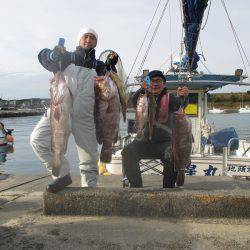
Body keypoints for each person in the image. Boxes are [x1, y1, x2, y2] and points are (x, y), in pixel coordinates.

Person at [30, 28, 118, 192]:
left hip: (86, 115)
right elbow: (45, 59)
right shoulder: (66, 56)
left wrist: (111, 67)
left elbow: (112, 88)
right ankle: (62, 175)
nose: (89, 39)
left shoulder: (99, 66)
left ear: (96, 42)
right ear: (79, 40)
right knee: (37, 139)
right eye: (86, 36)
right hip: (60, 109)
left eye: (93, 37)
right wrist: (51, 54)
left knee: (89, 158)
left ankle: (89, 188)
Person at [122, 70, 189, 188]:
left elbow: (180, 104)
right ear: (148, 83)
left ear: (164, 84)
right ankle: (136, 188)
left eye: (159, 81)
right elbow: (133, 101)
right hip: (143, 141)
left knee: (172, 154)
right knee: (127, 151)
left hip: (164, 143)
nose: (155, 84)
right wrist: (141, 89)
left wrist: (183, 96)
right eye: (152, 81)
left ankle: (168, 189)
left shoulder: (171, 98)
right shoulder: (142, 96)